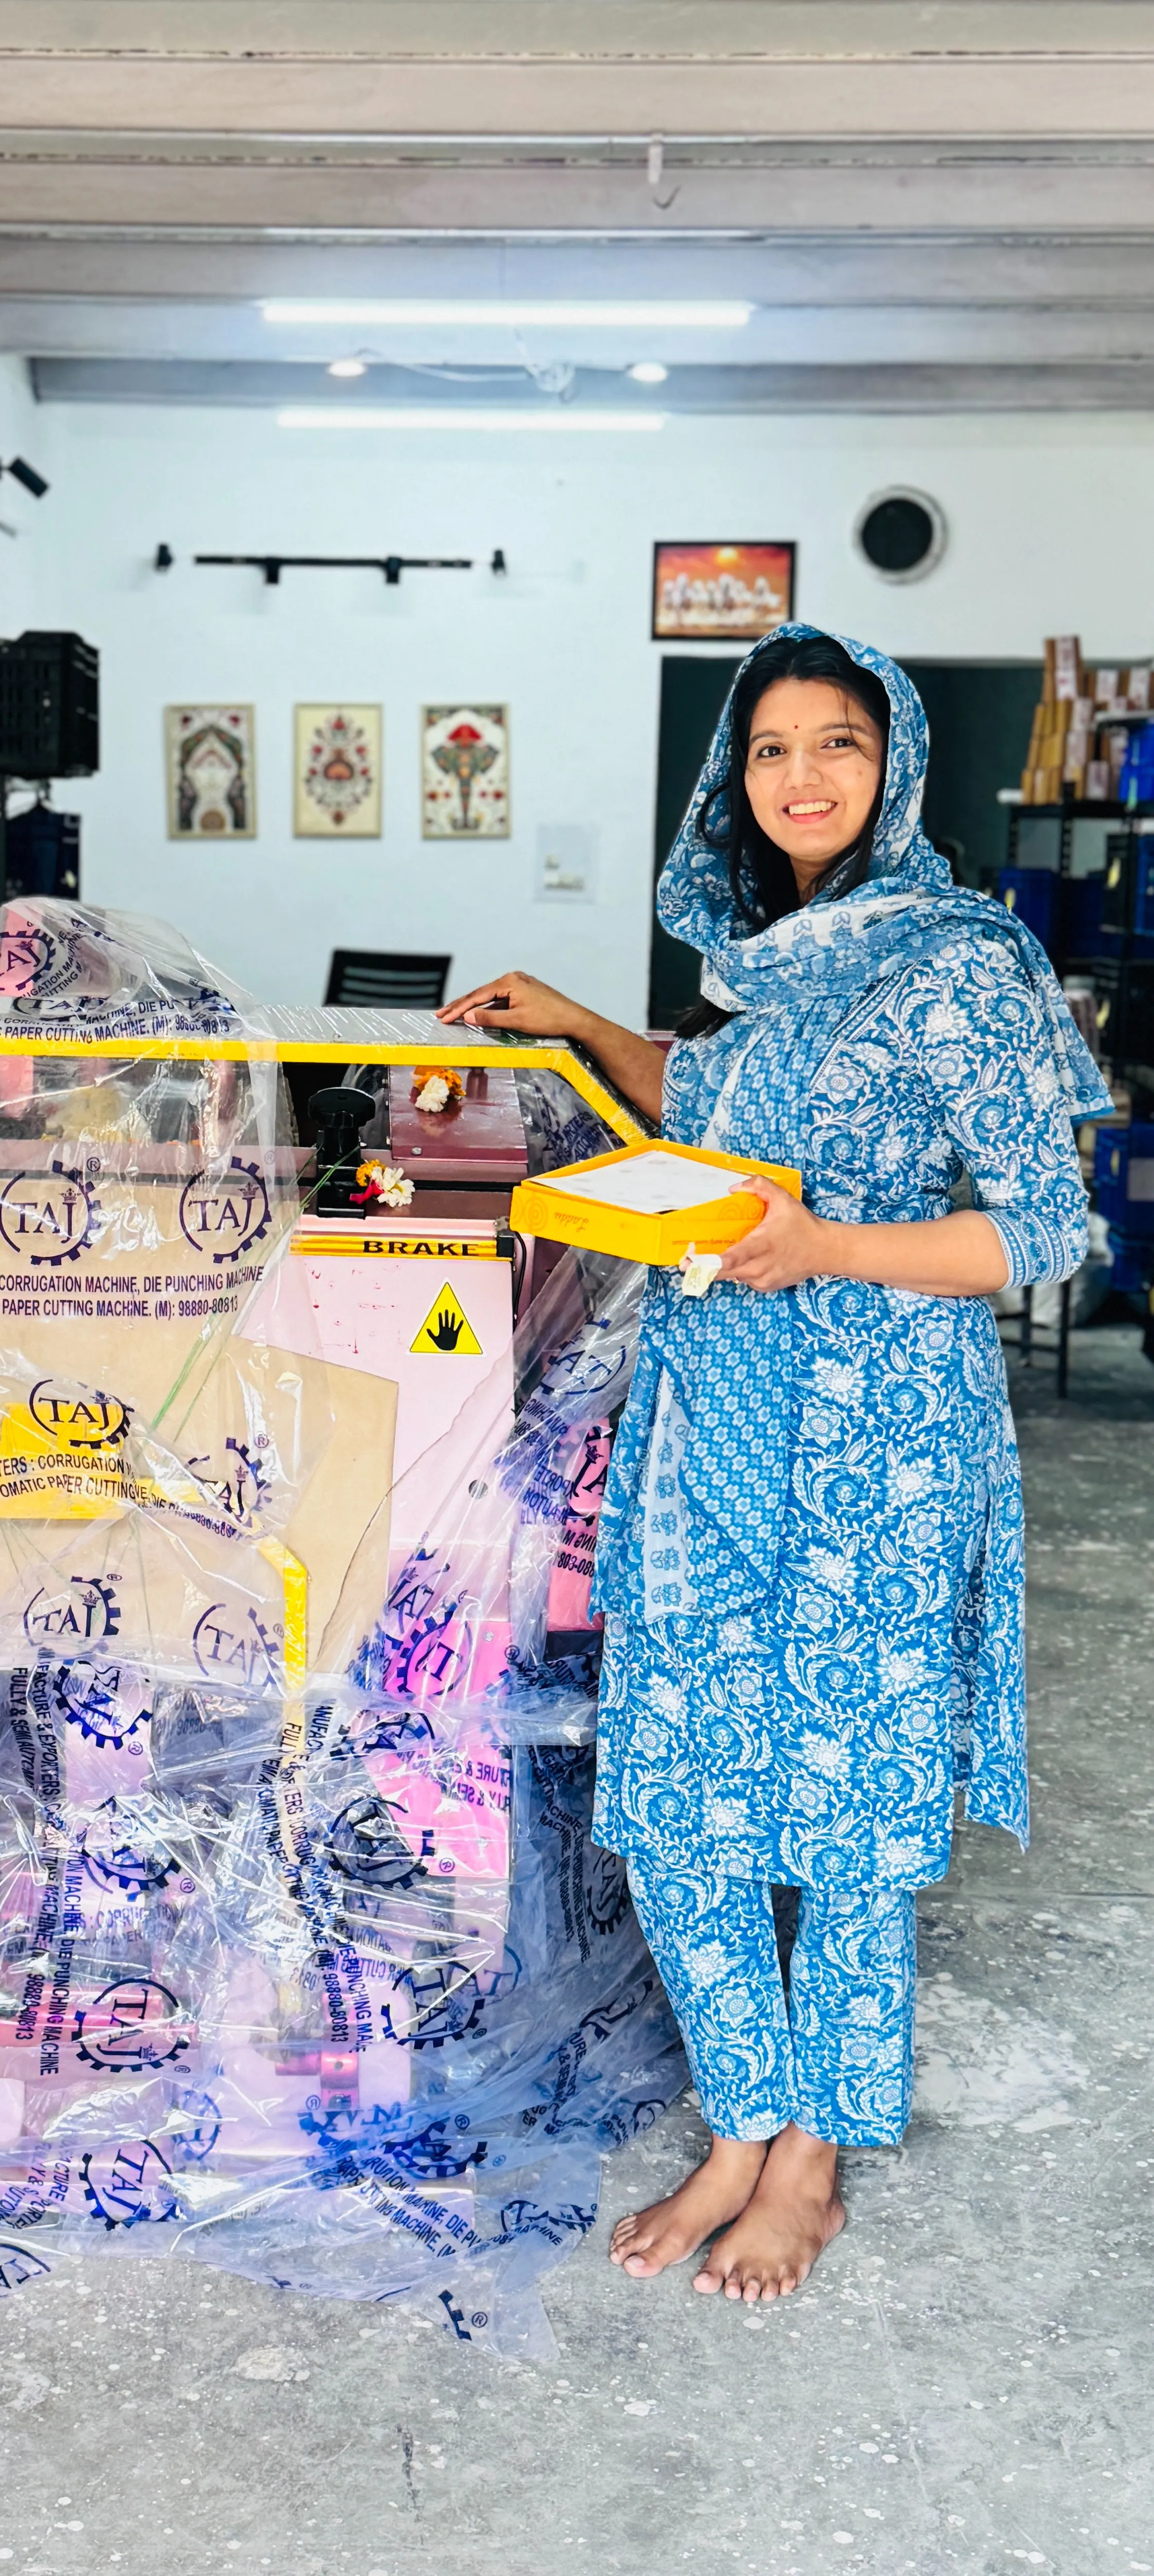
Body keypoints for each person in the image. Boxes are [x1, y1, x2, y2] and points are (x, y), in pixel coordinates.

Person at [440, 626, 1108, 2304]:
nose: (799, 779)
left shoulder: (963, 963)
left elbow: (1041, 1229)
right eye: (767, 752)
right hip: (714, 1401)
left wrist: (830, 1245)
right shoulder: (767, 957)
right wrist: (583, 1028)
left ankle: (811, 2156)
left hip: (878, 1425)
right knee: (682, 1777)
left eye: (837, 746)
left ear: (894, 770)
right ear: (731, 780)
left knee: (846, 1790)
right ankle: (740, 2118)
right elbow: (725, 1130)